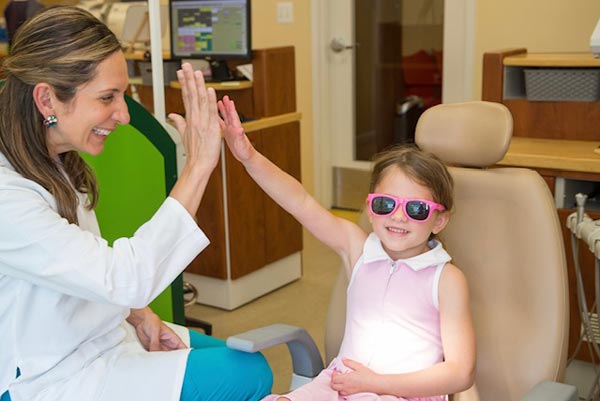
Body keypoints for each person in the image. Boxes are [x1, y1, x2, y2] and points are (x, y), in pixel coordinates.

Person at [0, 7, 271, 401]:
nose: (124, 115)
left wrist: (137, 314)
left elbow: (84, 268)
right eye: (107, 97)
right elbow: (121, 276)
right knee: (249, 373)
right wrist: (196, 168)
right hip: (51, 374)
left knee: (239, 352)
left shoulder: (52, 161)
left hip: (98, 335)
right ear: (47, 100)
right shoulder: (7, 198)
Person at [218, 96, 476, 401]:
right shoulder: (359, 248)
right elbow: (299, 202)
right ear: (370, 207)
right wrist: (249, 156)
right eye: (385, 204)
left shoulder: (446, 279)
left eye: (416, 208)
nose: (397, 216)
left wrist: (376, 384)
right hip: (339, 383)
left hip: (403, 394)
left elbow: (460, 373)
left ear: (439, 219)